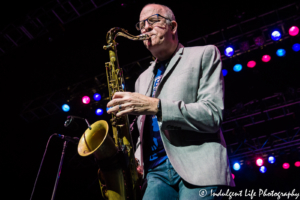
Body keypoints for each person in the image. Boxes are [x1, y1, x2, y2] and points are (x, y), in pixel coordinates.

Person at [107, 3, 235, 200]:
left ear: (173, 27)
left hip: (198, 166)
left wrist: (156, 106)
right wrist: (137, 160)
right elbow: (146, 130)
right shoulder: (142, 79)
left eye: (153, 21)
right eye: (141, 24)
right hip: (154, 174)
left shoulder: (204, 54)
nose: (145, 28)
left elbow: (212, 115)